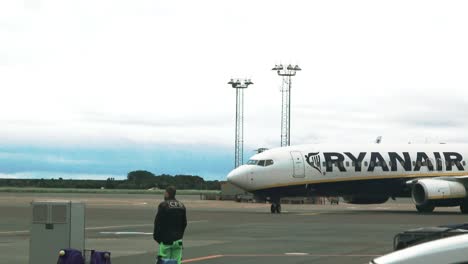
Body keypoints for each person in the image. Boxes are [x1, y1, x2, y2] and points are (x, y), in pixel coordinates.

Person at [153, 186, 187, 264]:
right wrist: (180, 236)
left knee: (163, 261)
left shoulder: (163, 205)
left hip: (166, 240)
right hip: (178, 240)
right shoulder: (182, 205)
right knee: (177, 262)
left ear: (167, 194)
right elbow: (184, 223)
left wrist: (157, 237)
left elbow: (158, 223)